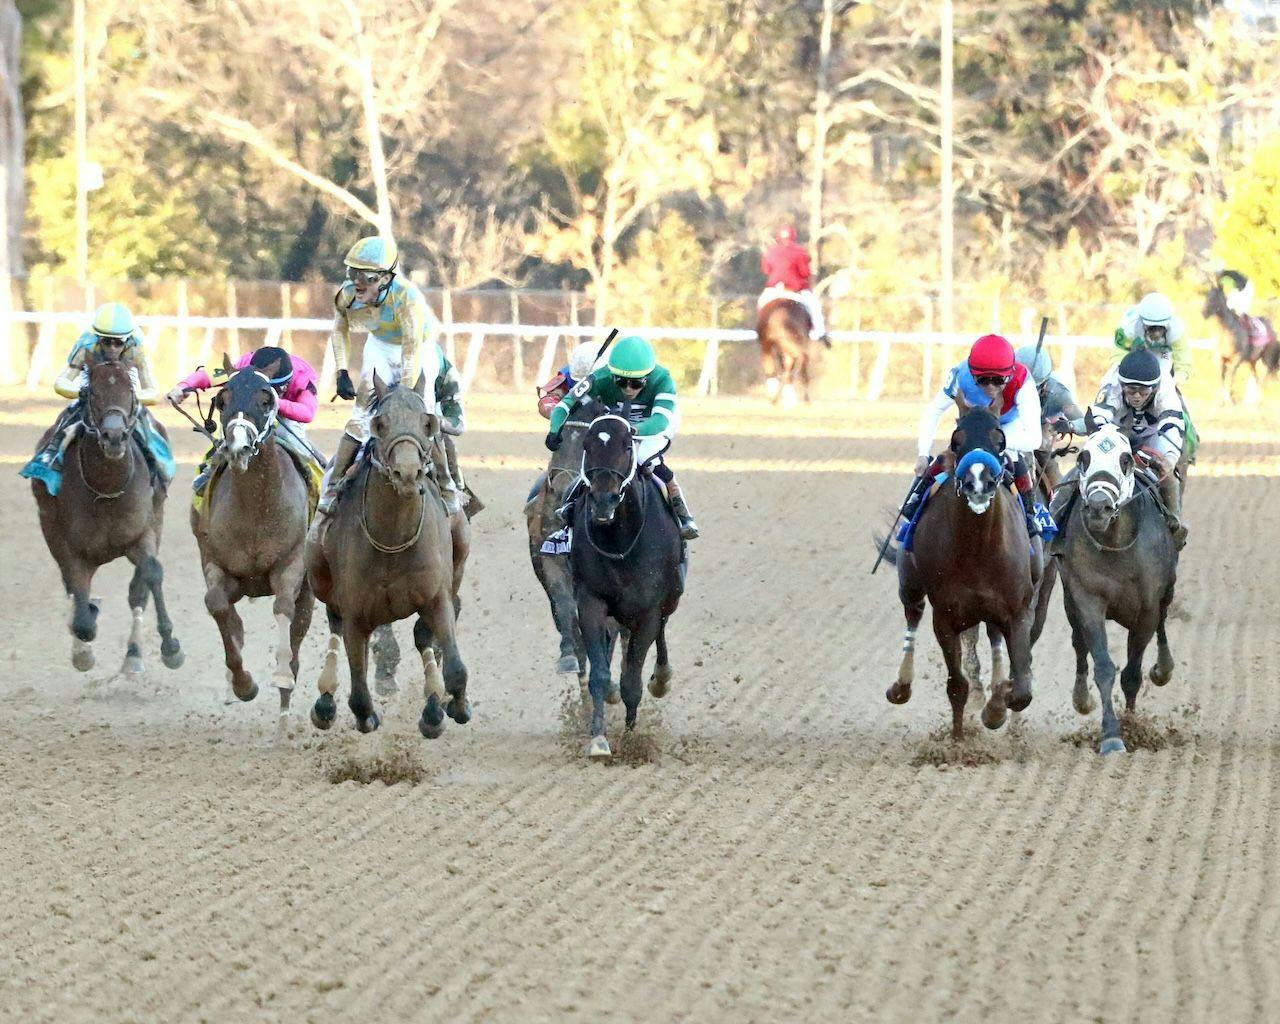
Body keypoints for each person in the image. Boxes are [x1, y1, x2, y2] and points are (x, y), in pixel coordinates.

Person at [318, 235, 466, 517]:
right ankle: (333, 487)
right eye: (352, 273)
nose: (357, 283)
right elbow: (340, 331)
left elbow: (411, 351)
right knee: (360, 417)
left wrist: (406, 396)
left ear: (386, 278)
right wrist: (341, 371)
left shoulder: (408, 299)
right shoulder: (347, 295)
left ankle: (447, 486)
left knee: (424, 416)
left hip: (418, 351)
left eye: (367, 277)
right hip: (380, 348)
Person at [544, 334, 699, 541]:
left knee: (644, 458)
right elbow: (565, 404)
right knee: (597, 453)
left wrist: (633, 431)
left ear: (648, 376)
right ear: (612, 373)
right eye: (621, 382)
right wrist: (554, 429)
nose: (628, 389)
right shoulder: (600, 377)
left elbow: (660, 421)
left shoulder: (663, 380)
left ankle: (683, 515)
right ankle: (572, 502)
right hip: (619, 422)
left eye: (636, 384)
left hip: (654, 423)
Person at [21, 302, 174, 494]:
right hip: (92, 391)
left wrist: (128, 398)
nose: (111, 347)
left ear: (127, 340)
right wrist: (83, 393)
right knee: (64, 426)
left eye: (118, 342)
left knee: (152, 431)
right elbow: (61, 382)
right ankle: (48, 460)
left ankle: (161, 471)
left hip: (125, 393)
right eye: (106, 341)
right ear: (97, 337)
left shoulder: (137, 349)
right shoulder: (86, 346)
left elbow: (153, 390)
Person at [902, 333, 1043, 538]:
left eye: (998, 381)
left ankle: (1030, 514)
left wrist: (993, 443)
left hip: (1005, 427)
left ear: (1010, 375)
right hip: (971, 425)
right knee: (943, 459)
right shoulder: (960, 375)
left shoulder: (1023, 382)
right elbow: (934, 411)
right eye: (983, 380)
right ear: (972, 373)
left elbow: (1034, 438)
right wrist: (923, 453)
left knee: (1014, 459)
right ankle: (914, 503)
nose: (991, 387)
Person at [1051, 349, 1187, 550]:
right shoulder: (1112, 385)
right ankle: (1052, 522)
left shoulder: (1166, 389)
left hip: (1153, 435)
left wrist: (1168, 459)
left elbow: (1172, 427)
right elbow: (1098, 419)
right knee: (1081, 470)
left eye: (1144, 391)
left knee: (1168, 475)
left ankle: (1173, 525)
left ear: (1155, 387)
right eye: (1131, 390)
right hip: (1114, 431)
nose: (1137, 396)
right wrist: (1074, 427)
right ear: (1122, 385)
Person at [167, 345, 324, 493]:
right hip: (249, 408)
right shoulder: (243, 367)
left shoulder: (303, 376)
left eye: (279, 389)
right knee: (233, 425)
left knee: (290, 436)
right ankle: (212, 468)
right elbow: (209, 375)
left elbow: (307, 413)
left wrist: (275, 400)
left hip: (287, 413)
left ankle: (314, 482)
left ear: (288, 383)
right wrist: (183, 387)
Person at [759, 225, 828, 343]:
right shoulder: (799, 251)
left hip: (774, 289)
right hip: (795, 289)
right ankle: (820, 332)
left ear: (778, 237)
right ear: (794, 237)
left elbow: (766, 270)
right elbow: (805, 272)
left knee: (761, 304)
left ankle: (762, 330)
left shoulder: (771, 251)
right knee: (815, 305)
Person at [1114, 291, 1190, 384]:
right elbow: (1118, 355)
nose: (1157, 334)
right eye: (1152, 328)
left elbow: (1183, 364)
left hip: (1163, 353)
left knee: (1163, 376)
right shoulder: (1128, 325)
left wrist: (1175, 382)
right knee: (1115, 378)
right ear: (1142, 323)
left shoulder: (1177, 330)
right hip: (1135, 349)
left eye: (1161, 328)